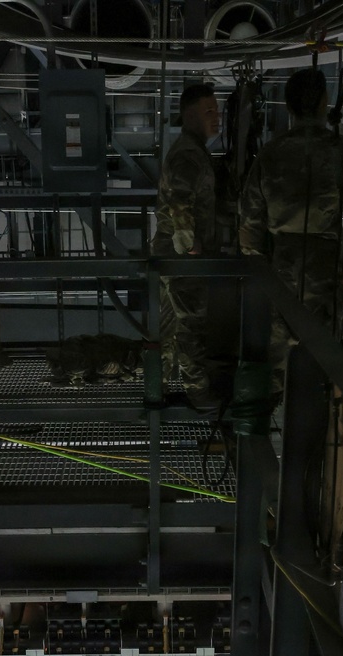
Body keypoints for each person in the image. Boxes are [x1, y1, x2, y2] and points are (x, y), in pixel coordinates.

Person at [240, 69, 343, 385]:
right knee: (322, 356)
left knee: (275, 349)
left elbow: (250, 217)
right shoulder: (341, 151)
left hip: (280, 264)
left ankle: (264, 416)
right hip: (327, 266)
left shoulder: (271, 153)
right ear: (325, 102)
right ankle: (314, 421)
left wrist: (257, 264)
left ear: (288, 107)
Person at [154, 82, 222, 410]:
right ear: (189, 114)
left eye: (217, 110)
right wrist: (188, 245)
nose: (216, 117)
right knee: (192, 322)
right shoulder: (190, 154)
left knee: (168, 327)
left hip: (170, 254)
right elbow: (180, 198)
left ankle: (157, 386)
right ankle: (197, 392)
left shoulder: (190, 149)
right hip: (182, 256)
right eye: (209, 111)